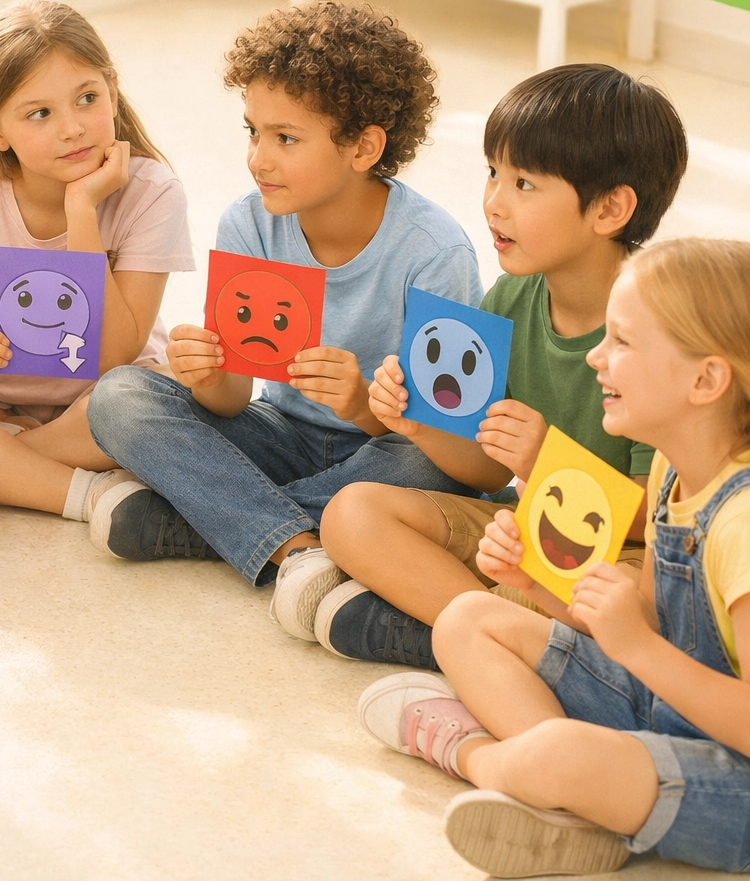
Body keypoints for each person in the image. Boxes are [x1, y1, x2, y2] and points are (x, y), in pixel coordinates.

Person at [360, 239, 750, 875]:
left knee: (559, 754)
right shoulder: (677, 467)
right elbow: (648, 621)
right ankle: (579, 805)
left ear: (706, 380)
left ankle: (479, 758)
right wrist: (534, 584)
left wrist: (636, 647)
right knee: (467, 619)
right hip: (671, 712)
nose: (595, 357)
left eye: (621, 342)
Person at [283, 65, 686, 664]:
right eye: (494, 173)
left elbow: (659, 521)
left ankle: (464, 632)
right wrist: (417, 423)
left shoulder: (661, 329)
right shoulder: (508, 299)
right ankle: (490, 633)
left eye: (524, 184)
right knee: (352, 513)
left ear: (609, 210)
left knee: (637, 603)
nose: (493, 202)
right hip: (527, 530)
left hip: (624, 554)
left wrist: (546, 462)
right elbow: (480, 471)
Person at [86, 0, 482, 582]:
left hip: (384, 455)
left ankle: (223, 524)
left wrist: (360, 401)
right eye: (253, 131)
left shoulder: (436, 254)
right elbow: (232, 402)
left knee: (430, 470)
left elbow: (460, 447)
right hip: (280, 432)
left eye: (286, 139)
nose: (257, 158)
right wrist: (209, 373)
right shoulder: (247, 224)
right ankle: (299, 544)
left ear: (363, 148)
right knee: (118, 397)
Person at [0, 0, 193, 521]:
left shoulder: (151, 191)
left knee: (169, 394)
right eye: (39, 113)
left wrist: (83, 210)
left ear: (113, 89)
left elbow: (111, 358)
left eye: (86, 98)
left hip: (106, 397)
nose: (72, 128)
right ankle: (90, 496)